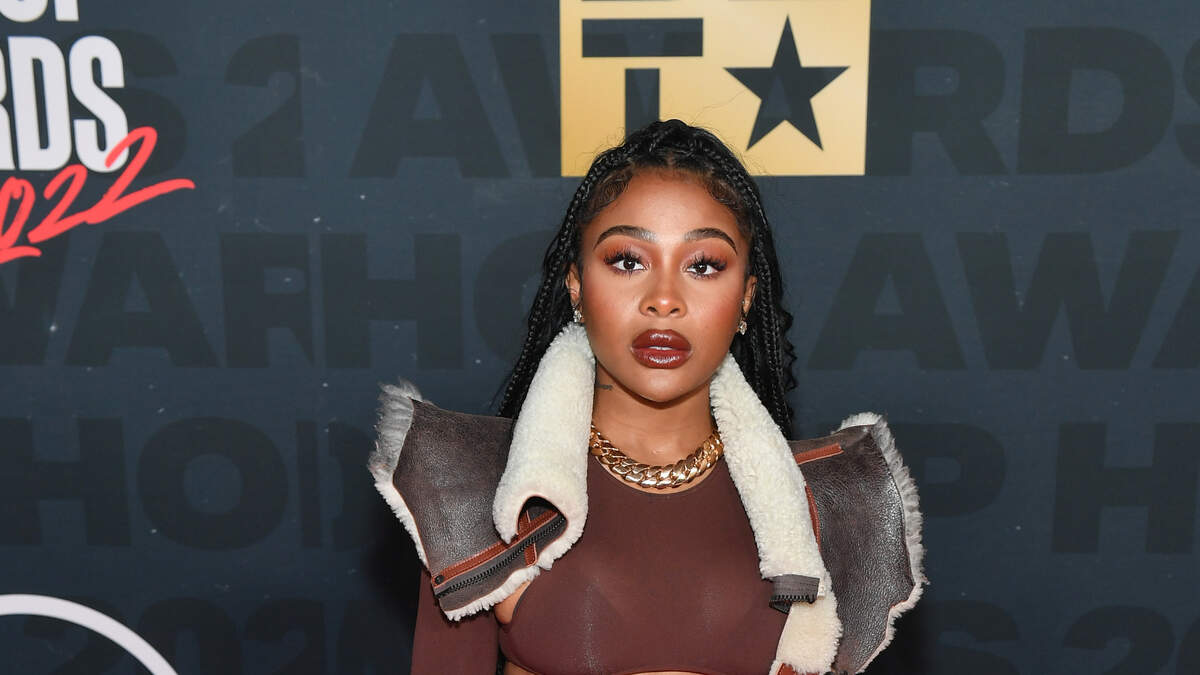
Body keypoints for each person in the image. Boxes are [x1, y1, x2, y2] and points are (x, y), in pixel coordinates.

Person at [369, 120, 925, 675]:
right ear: (577, 287)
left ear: (746, 297)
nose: (663, 299)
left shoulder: (830, 505)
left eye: (703, 265)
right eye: (628, 261)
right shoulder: (472, 485)